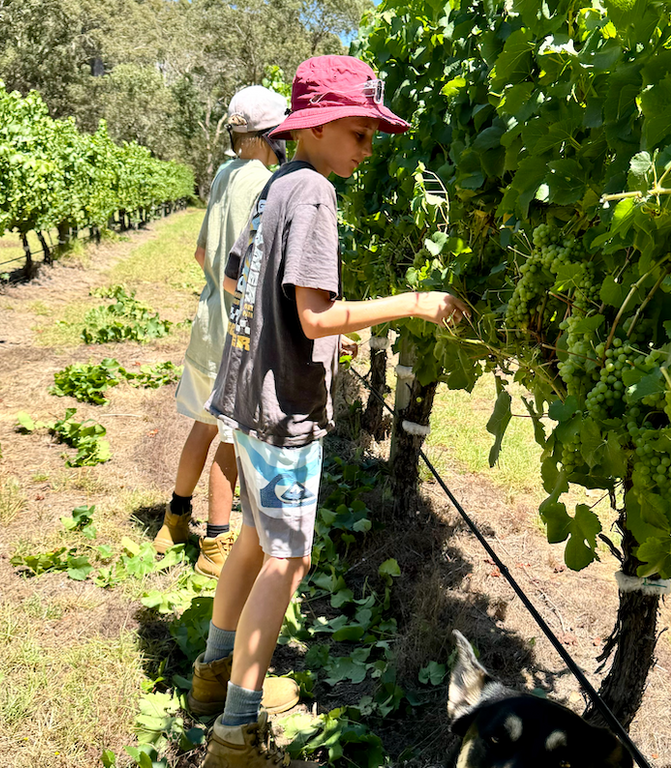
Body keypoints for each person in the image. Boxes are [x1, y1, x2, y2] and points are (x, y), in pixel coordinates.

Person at [190, 55, 469, 767]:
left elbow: (243, 283)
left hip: (246, 391)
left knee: (254, 538)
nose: (368, 149)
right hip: (282, 410)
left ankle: (213, 678)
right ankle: (236, 733)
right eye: (359, 131)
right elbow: (315, 318)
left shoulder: (277, 182)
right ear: (315, 126)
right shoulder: (312, 192)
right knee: (289, 558)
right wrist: (415, 303)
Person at [154, 85, 289, 579]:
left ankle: (173, 521)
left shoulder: (222, 174)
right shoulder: (268, 184)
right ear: (268, 134)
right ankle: (215, 545)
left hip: (208, 318)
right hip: (240, 327)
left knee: (203, 424)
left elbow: (200, 253)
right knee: (234, 439)